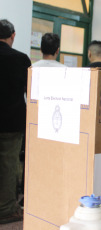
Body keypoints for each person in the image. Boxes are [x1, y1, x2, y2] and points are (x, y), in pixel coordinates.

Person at [0, 19, 31, 224]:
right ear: (13, 35)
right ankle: (6, 208)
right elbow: (32, 93)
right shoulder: (21, 59)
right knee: (8, 165)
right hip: (11, 122)